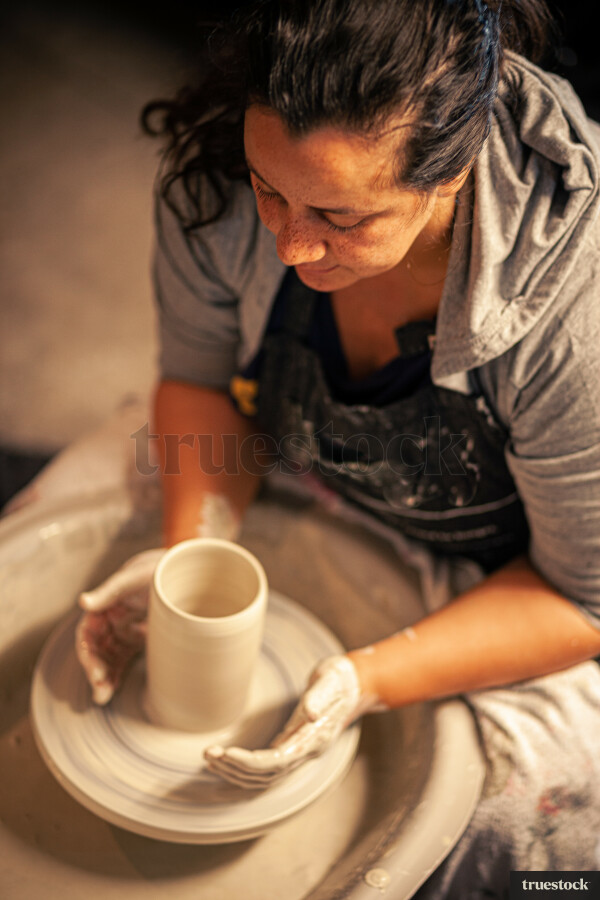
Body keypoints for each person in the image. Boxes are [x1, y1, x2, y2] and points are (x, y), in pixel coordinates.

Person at [75, 0, 600, 894]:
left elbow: (580, 601)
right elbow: (199, 386)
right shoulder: (216, 183)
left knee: (492, 815)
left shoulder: (574, 317)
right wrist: (194, 554)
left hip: (511, 579)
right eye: (270, 189)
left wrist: (361, 681)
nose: (288, 243)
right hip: (302, 462)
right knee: (81, 504)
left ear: (452, 170)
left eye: (342, 216)